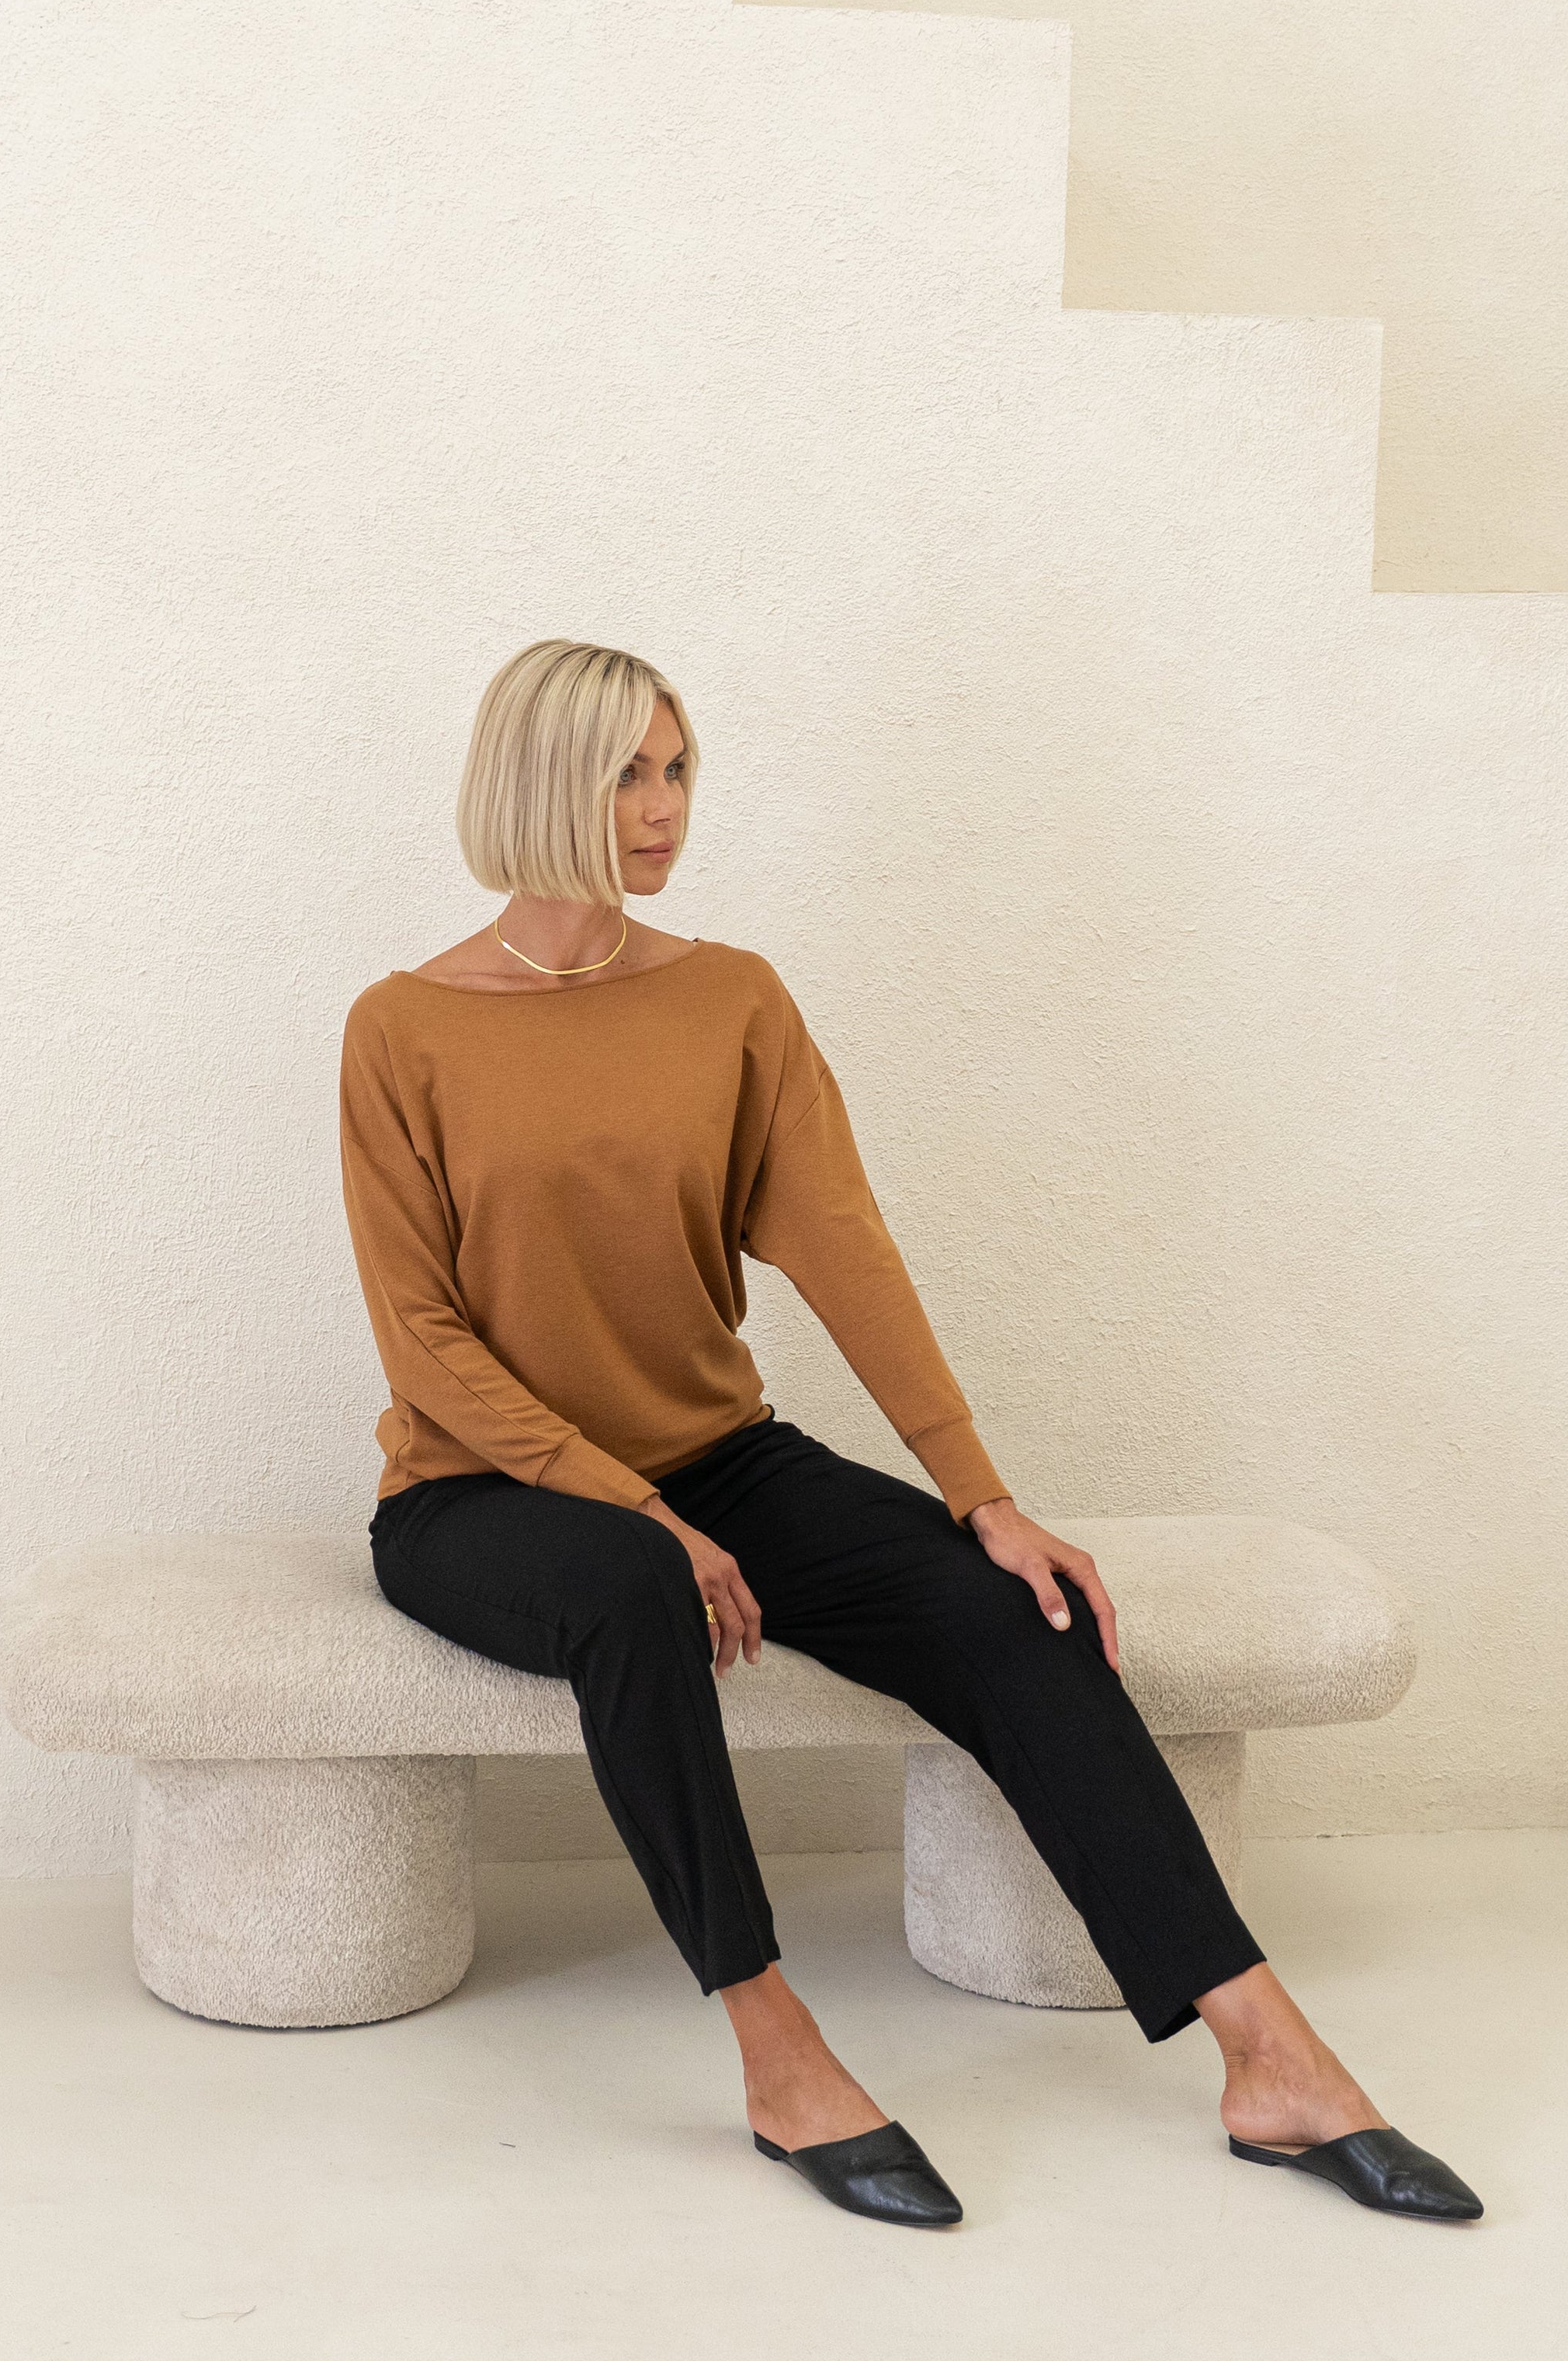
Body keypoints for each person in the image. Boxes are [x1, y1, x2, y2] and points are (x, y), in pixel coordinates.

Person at [340, 637, 1483, 2234]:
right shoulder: (403, 1028)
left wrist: (982, 1497)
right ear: (540, 782)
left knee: (1010, 1605)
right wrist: (639, 1515)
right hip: (481, 1496)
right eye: (627, 771)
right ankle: (778, 2050)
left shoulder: (730, 998)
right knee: (632, 1591)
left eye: (678, 769)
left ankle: (1266, 2052)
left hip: (717, 1455)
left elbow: (844, 1248)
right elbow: (426, 1344)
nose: (664, 806)